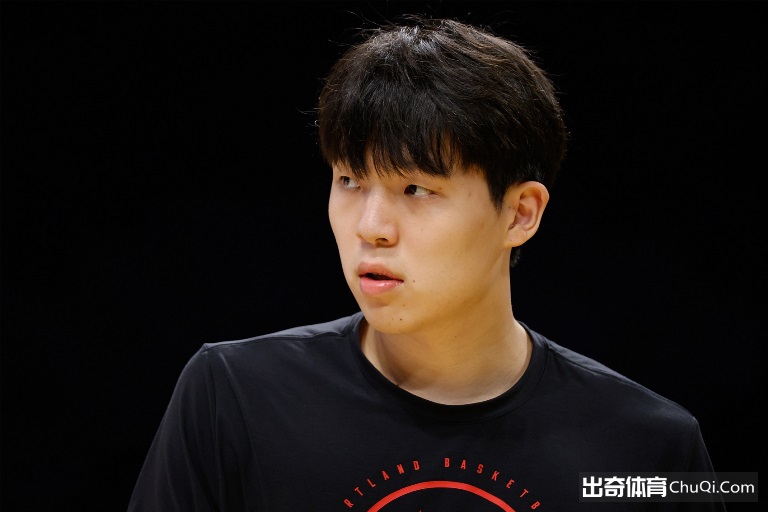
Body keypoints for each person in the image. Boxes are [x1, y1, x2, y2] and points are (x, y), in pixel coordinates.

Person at [128, 16, 725, 511]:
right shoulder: (231, 396)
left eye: (416, 189)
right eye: (349, 180)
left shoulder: (651, 453)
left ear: (520, 213)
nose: (371, 226)